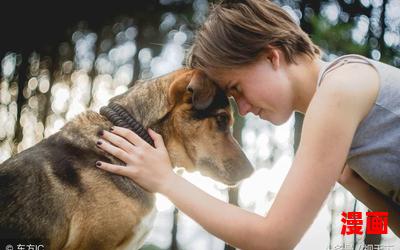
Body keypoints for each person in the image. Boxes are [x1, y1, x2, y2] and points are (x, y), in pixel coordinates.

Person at [94, 0, 400, 249]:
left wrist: (165, 181)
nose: (242, 108)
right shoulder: (346, 98)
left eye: (236, 88)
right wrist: (357, 184)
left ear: (271, 57)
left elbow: (274, 240)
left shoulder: (340, 89)